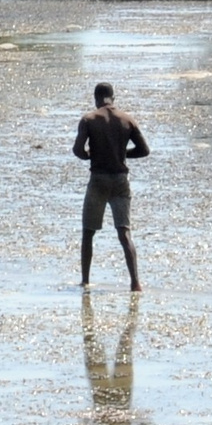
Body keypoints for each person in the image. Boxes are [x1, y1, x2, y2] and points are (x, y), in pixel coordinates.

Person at [73, 81, 147, 291]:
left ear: (96, 99)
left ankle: (85, 280)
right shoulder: (127, 120)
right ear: (113, 98)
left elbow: (78, 151)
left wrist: (92, 155)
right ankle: (135, 283)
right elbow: (144, 150)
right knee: (124, 233)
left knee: (88, 232)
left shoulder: (89, 119)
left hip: (98, 180)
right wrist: (122, 154)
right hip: (121, 181)